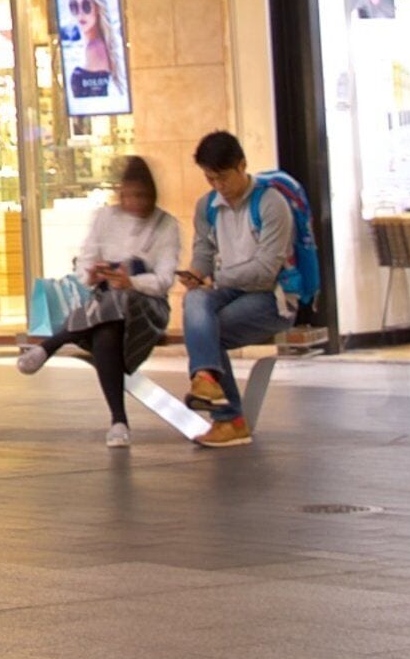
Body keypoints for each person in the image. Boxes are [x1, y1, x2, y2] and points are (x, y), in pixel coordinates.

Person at [16, 156, 185, 447]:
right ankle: (118, 422)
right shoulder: (105, 218)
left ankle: (50, 346)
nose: (135, 203)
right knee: (107, 331)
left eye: (142, 195)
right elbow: (85, 261)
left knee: (114, 306)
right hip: (105, 306)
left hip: (146, 307)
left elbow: (164, 280)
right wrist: (92, 275)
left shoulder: (166, 225)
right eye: (129, 195)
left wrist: (132, 282)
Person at [176, 130, 300, 449]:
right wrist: (196, 273)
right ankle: (206, 381)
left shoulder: (272, 204)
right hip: (229, 288)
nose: (218, 187)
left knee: (205, 328)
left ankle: (229, 418)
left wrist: (216, 279)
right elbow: (203, 249)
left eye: (223, 178)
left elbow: (263, 271)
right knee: (195, 300)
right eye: (210, 179)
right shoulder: (207, 206)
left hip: (273, 297)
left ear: (242, 165)